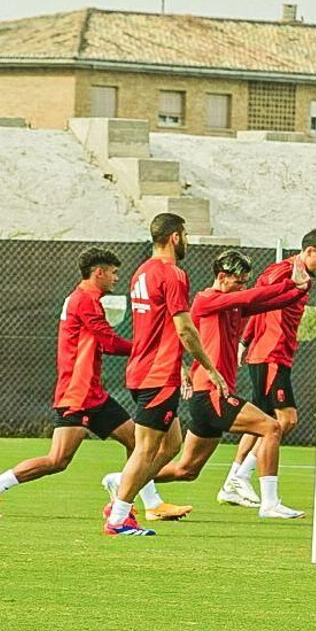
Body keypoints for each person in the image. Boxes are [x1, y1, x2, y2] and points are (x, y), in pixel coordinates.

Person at [0, 248, 189, 521]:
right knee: (58, 460)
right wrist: (148, 350)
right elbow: (108, 342)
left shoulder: (87, 299)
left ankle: (152, 503)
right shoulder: (84, 300)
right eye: (113, 272)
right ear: (99, 272)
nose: (115, 278)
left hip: (93, 394)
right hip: (77, 393)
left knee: (138, 444)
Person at [146, 250, 310, 517]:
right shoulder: (206, 300)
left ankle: (123, 481)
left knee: (186, 470)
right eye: (238, 281)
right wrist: (290, 282)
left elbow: (271, 302)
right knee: (271, 428)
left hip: (211, 395)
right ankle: (270, 503)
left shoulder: (232, 302)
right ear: (221, 277)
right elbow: (253, 296)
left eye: (245, 281)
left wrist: (302, 285)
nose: (243, 286)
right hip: (210, 393)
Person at [101, 213, 229, 538]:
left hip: (147, 369)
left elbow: (157, 329)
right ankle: (118, 517)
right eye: (185, 234)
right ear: (175, 237)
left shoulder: (141, 272)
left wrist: (182, 366)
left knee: (171, 445)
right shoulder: (173, 274)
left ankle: (123, 485)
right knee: (145, 449)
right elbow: (184, 329)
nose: (186, 241)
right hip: (156, 374)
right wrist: (210, 369)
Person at [219, 229, 316, 508]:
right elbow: (258, 298)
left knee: (263, 421)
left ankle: (233, 480)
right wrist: (246, 341)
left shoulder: (302, 278)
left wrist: (245, 341)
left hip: (275, 355)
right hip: (270, 355)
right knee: (285, 420)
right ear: (308, 251)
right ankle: (241, 477)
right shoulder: (283, 271)